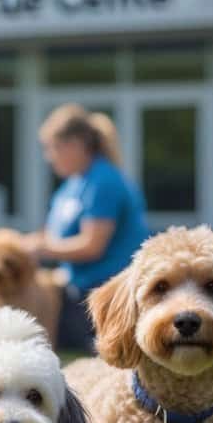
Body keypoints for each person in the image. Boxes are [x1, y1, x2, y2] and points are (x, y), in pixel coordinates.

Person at [25, 104, 150, 351]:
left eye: (53, 148)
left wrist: (43, 249)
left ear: (76, 144)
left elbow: (92, 245)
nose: (49, 157)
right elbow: (54, 236)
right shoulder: (71, 186)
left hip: (106, 298)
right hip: (76, 294)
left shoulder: (103, 181)